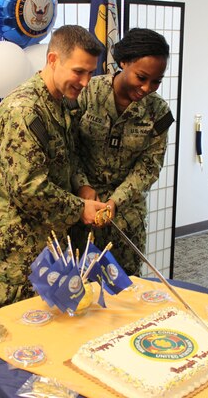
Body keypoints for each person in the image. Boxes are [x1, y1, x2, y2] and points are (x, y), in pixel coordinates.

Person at [0, 25, 107, 310]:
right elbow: (28, 188)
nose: (86, 81)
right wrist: (79, 208)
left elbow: (67, 158)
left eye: (90, 73)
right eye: (79, 71)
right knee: (19, 339)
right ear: (53, 60)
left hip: (48, 240)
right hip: (19, 249)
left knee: (54, 330)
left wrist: (82, 186)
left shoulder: (58, 103)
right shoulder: (23, 111)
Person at [70, 28, 174, 276]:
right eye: (141, 77)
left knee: (126, 291)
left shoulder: (158, 112)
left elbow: (149, 166)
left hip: (126, 218)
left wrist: (116, 201)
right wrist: (83, 186)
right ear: (123, 62)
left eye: (157, 81)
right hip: (82, 209)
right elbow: (67, 147)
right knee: (79, 289)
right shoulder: (87, 93)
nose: (148, 87)